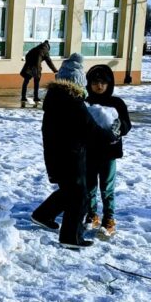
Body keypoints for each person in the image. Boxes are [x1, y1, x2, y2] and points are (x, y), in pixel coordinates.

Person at [31, 54, 115, 249]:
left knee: (69, 192)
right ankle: (71, 237)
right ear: (77, 82)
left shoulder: (54, 99)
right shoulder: (73, 103)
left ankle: (43, 215)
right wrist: (110, 136)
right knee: (79, 196)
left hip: (55, 155)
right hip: (71, 157)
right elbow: (90, 129)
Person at [85, 64, 132, 236]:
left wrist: (120, 127)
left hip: (108, 153)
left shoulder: (116, 103)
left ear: (109, 84)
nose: (99, 86)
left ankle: (109, 218)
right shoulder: (85, 102)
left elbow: (127, 124)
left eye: (103, 83)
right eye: (95, 82)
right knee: (89, 186)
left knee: (107, 187)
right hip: (89, 152)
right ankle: (91, 214)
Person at [20, 39, 58, 105]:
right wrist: (55, 70)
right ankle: (36, 97)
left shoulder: (36, 48)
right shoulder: (45, 51)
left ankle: (23, 97)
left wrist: (29, 63)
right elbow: (49, 62)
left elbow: (27, 55)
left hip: (29, 67)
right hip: (36, 68)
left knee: (26, 81)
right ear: (48, 47)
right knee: (36, 82)